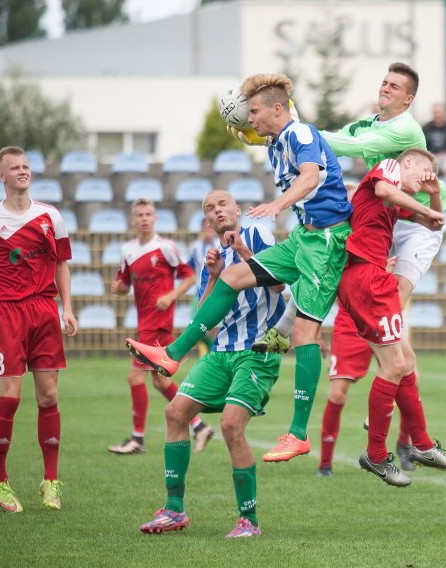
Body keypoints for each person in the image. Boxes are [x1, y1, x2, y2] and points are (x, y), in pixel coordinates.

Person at [127, 72, 352, 465]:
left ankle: (298, 434)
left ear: (278, 109)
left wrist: (276, 206)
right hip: (304, 236)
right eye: (247, 114)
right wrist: (244, 111)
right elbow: (259, 129)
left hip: (327, 241)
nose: (250, 119)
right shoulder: (277, 142)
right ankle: (172, 354)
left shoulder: (300, 134)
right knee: (231, 277)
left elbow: (311, 176)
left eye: (255, 112)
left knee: (303, 332)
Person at [238, 62, 446, 469]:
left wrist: (291, 127)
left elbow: (348, 149)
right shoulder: (370, 125)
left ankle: (409, 442)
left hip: (415, 225)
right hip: (390, 217)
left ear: (409, 99)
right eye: (384, 82)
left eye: (395, 86)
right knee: (395, 350)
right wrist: (282, 130)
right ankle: (412, 443)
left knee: (395, 346)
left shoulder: (404, 132)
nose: (386, 88)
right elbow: (342, 142)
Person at [139, 190, 286, 538]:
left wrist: (242, 253)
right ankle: (174, 510)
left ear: (237, 209)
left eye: (222, 204)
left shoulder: (260, 234)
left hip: (257, 349)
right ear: (208, 221)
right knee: (175, 413)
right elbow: (206, 316)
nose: (217, 211)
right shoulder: (212, 255)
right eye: (210, 208)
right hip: (221, 352)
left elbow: (280, 285)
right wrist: (217, 275)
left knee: (231, 425)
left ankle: (248, 520)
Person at [319, 149, 446, 484]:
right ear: (408, 163)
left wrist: (432, 195)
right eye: (424, 172)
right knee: (394, 366)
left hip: (370, 279)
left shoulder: (400, 202)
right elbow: (385, 190)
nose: (425, 179)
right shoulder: (387, 170)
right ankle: (377, 454)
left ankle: (422, 445)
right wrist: (425, 202)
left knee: (405, 360)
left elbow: (434, 222)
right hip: (365, 277)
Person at [0, 145, 78, 512]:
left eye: (26, 166)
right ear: (1, 175)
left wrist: (68, 308)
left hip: (44, 310)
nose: (22, 171)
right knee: (10, 398)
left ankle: (51, 481)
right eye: (14, 167)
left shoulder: (50, 216)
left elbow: (62, 263)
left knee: (48, 397)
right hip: (7, 312)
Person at [108, 198, 214, 455]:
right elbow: (123, 283)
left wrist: (171, 296)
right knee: (159, 380)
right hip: (144, 320)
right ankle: (199, 427)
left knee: (135, 377)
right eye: (139, 214)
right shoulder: (128, 250)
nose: (144, 218)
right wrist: (119, 289)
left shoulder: (166, 247)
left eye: (148, 214)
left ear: (154, 218)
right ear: (133, 220)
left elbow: (189, 276)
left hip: (158, 323)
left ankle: (137, 439)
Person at [186, 218, 220, 355]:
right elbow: (188, 268)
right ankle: (211, 353)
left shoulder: (220, 245)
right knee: (198, 327)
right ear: (201, 230)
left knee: (214, 328)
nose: (208, 231)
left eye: (210, 228)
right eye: (206, 229)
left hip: (217, 293)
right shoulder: (195, 247)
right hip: (199, 293)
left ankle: (214, 354)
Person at [422, 102, 446, 180]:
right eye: (435, 112)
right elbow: (422, 145)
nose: (437, 115)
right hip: (432, 156)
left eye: (439, 112)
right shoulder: (426, 128)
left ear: (444, 113)